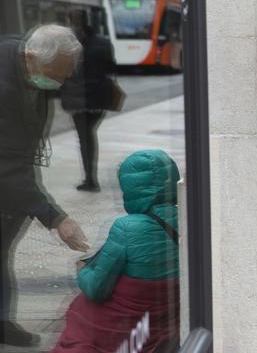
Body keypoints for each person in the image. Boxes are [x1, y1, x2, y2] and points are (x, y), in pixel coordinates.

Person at [0, 25, 89, 347]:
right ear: (31, 57)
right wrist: (55, 218)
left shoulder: (25, 62)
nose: (60, 83)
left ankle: (1, 323)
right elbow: (5, 168)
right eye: (57, 74)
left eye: (65, 76)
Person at [51, 150, 180, 353]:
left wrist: (83, 272)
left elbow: (97, 289)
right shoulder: (190, 217)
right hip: (167, 318)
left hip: (130, 323)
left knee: (81, 311)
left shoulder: (126, 227)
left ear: (131, 189)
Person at [61, 10, 117, 193]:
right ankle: (90, 178)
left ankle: (90, 179)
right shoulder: (103, 42)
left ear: (71, 21)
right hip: (99, 99)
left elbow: (65, 72)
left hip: (79, 99)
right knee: (88, 135)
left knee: (85, 138)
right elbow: (111, 67)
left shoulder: (69, 44)